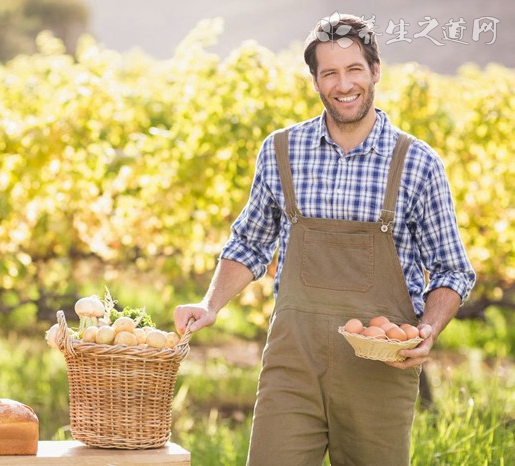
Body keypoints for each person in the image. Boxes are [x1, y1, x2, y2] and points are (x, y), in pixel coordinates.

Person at [174, 13, 475, 466]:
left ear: (375, 71)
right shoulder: (281, 151)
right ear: (315, 81)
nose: (344, 84)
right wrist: (211, 304)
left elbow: (453, 269)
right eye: (329, 73)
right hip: (293, 365)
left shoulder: (417, 163)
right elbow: (250, 244)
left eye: (354, 69)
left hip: (380, 371)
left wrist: (428, 329)